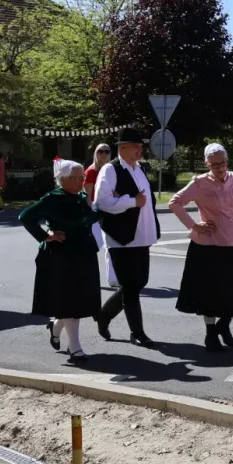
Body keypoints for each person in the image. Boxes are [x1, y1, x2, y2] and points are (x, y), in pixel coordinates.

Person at [169, 143, 233, 352]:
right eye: (214, 164)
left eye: (223, 162)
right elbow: (174, 202)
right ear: (207, 163)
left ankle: (223, 325)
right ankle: (210, 334)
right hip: (209, 246)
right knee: (210, 294)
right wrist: (194, 225)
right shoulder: (199, 183)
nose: (220, 167)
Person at [19, 160, 103, 361]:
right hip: (60, 256)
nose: (82, 180)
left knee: (78, 301)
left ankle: (56, 326)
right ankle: (75, 348)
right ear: (64, 179)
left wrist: (101, 211)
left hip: (83, 253)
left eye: (83, 176)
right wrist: (46, 235)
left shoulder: (82, 197)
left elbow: (88, 218)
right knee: (68, 301)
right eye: (78, 177)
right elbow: (26, 216)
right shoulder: (52, 198)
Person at [94, 128, 161, 346]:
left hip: (141, 236)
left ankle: (104, 315)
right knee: (131, 286)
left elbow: (145, 201)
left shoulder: (139, 169)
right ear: (122, 148)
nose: (140, 150)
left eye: (141, 147)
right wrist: (131, 201)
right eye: (136, 147)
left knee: (139, 282)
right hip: (121, 238)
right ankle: (137, 333)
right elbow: (102, 203)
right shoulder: (110, 170)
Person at [85, 144, 119, 288]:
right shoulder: (91, 171)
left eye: (107, 151)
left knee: (110, 245)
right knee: (95, 245)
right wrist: (90, 215)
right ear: (95, 154)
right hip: (95, 212)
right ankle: (84, 275)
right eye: (100, 151)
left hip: (110, 211)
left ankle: (113, 279)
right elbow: (87, 197)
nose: (104, 154)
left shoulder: (112, 171)